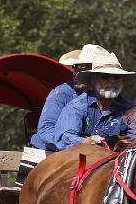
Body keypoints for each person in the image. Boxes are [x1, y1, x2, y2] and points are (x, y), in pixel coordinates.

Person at [15, 44, 105, 185]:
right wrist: (79, 142)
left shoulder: (108, 98)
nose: (76, 73)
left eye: (83, 68)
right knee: (20, 199)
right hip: (47, 153)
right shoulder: (61, 93)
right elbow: (46, 130)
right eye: (75, 67)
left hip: (89, 157)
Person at [52, 50, 136, 150]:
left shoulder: (131, 109)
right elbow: (64, 137)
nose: (111, 82)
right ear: (93, 80)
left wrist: (129, 142)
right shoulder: (77, 106)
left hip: (114, 162)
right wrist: (87, 141)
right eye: (105, 77)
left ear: (122, 81)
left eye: (116, 77)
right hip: (80, 160)